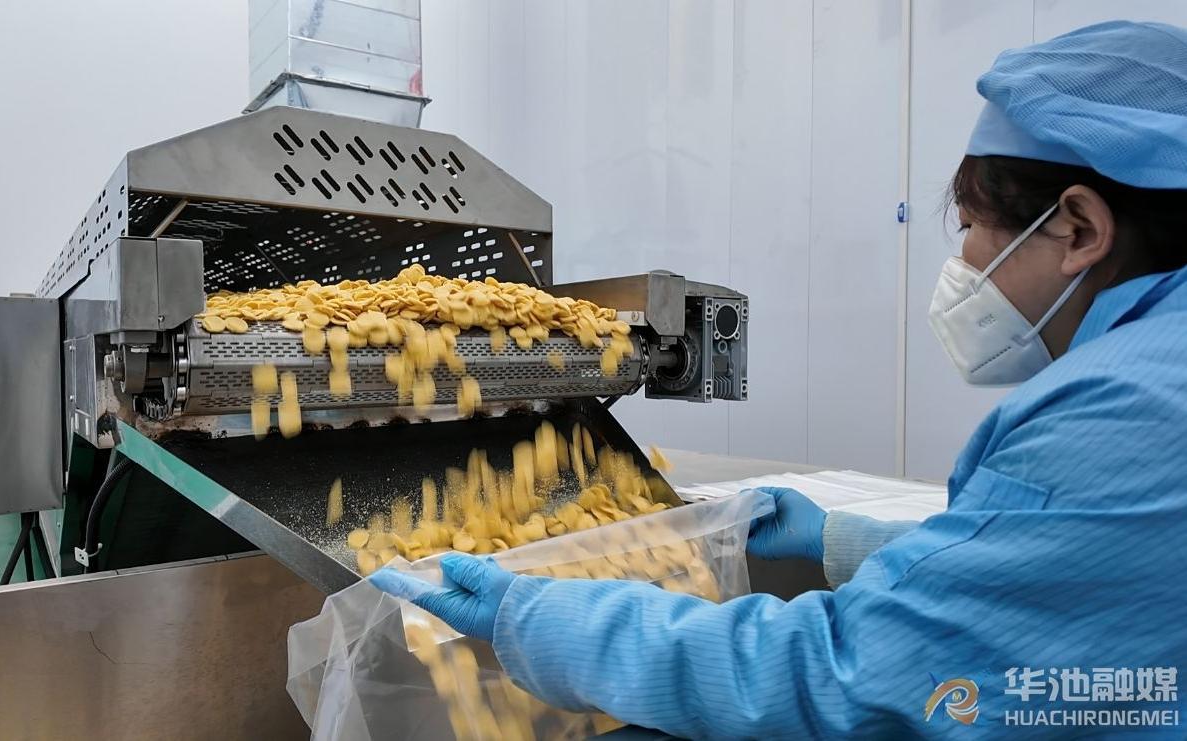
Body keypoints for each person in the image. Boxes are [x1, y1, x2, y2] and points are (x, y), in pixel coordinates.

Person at [370, 21, 1187, 737]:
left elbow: (849, 679)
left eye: (972, 226)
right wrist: (843, 541)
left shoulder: (1120, 411)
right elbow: (1047, 573)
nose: (965, 260)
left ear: (1079, 229)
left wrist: (543, 619)